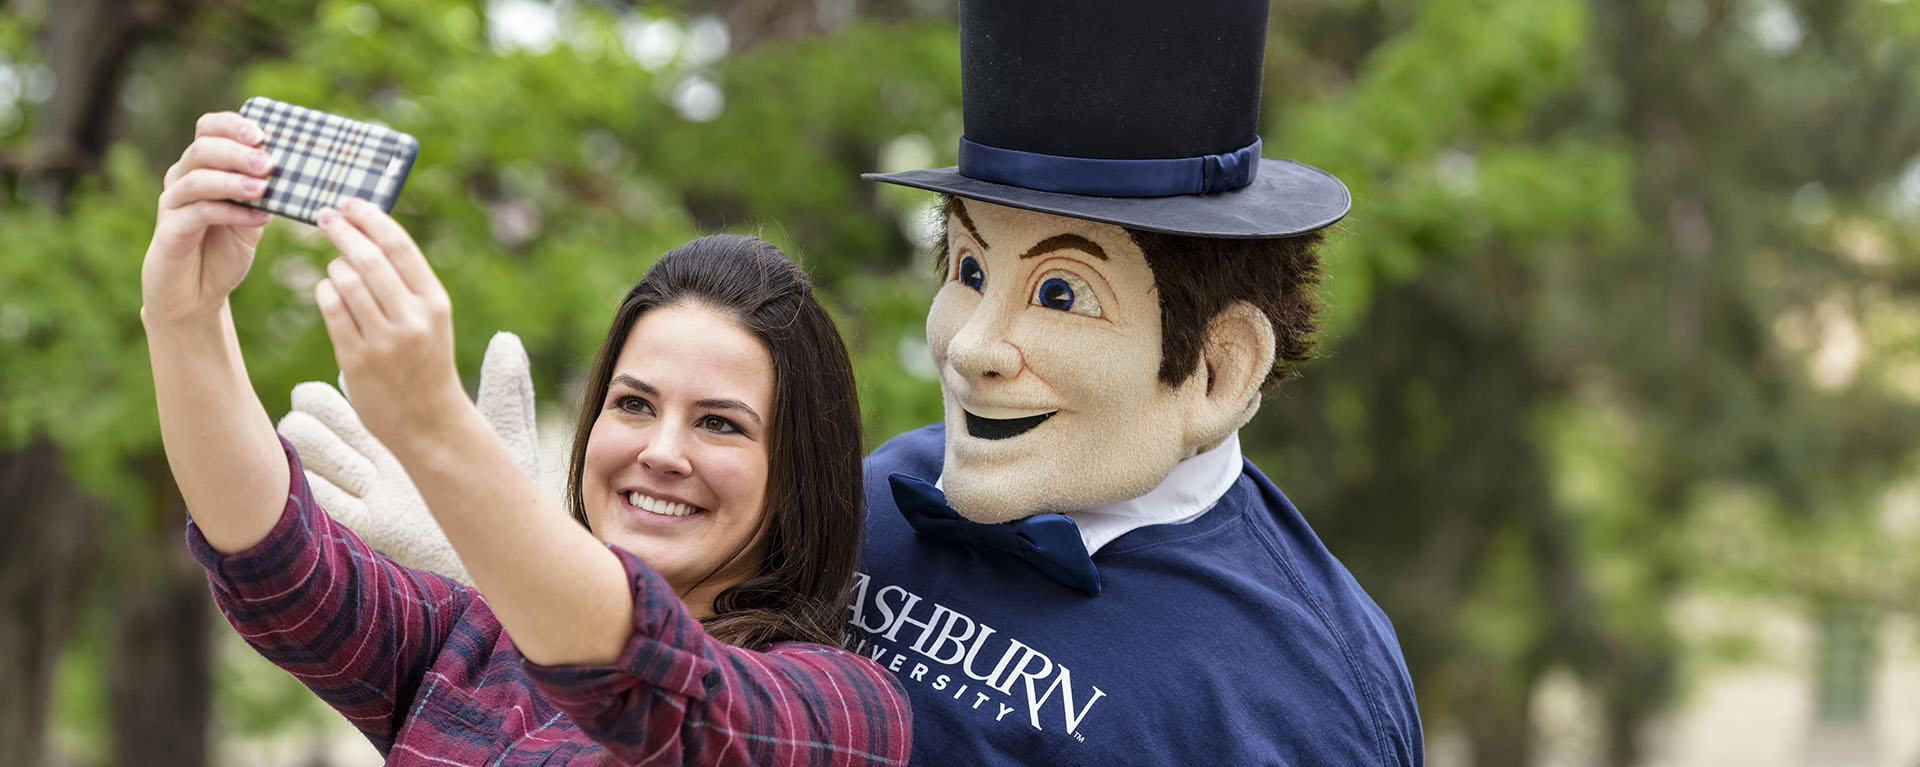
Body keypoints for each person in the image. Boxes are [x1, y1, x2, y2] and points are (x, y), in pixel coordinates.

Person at [141, 111, 909, 765]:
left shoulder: (846, 709)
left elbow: (666, 689)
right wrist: (185, 316)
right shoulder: (472, 639)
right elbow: (277, 562)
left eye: (719, 423)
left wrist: (436, 429)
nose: (662, 452)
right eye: (634, 404)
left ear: (799, 473)